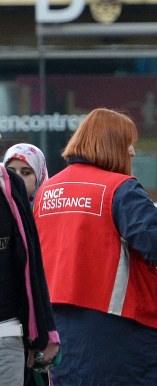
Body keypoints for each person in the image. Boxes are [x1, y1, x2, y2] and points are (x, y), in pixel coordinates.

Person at [34, 108, 157, 385]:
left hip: (61, 332)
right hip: (120, 336)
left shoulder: (47, 192)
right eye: (127, 143)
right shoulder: (119, 188)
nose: (132, 152)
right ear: (111, 144)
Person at [1, 143, 58, 385]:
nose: (18, 178)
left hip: (35, 323)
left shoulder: (53, 217)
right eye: (12, 170)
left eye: (26, 173)